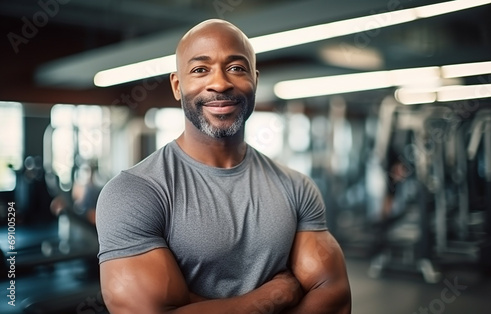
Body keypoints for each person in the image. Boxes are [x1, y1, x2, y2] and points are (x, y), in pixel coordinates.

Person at [96, 19, 351, 313]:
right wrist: (272, 298)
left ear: (254, 79)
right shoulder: (133, 193)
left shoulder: (296, 187)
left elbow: (334, 296)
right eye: (200, 70)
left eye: (236, 68)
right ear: (178, 86)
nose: (220, 83)